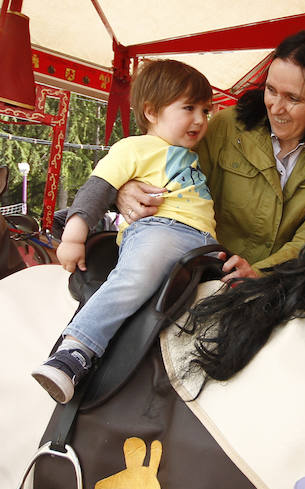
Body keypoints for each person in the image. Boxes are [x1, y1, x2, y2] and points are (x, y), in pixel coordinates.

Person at [32, 59, 218, 404]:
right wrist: (74, 235)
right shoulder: (133, 148)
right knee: (135, 278)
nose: (200, 119)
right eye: (189, 108)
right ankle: (75, 350)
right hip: (160, 231)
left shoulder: (190, 155)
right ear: (151, 112)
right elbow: (97, 189)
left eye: (205, 110)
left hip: (206, 244)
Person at [115, 30, 305, 281]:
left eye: (293, 98)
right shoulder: (227, 125)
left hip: (278, 283)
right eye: (271, 90)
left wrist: (260, 272)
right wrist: (123, 190)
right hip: (203, 273)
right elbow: (166, 166)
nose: (275, 107)